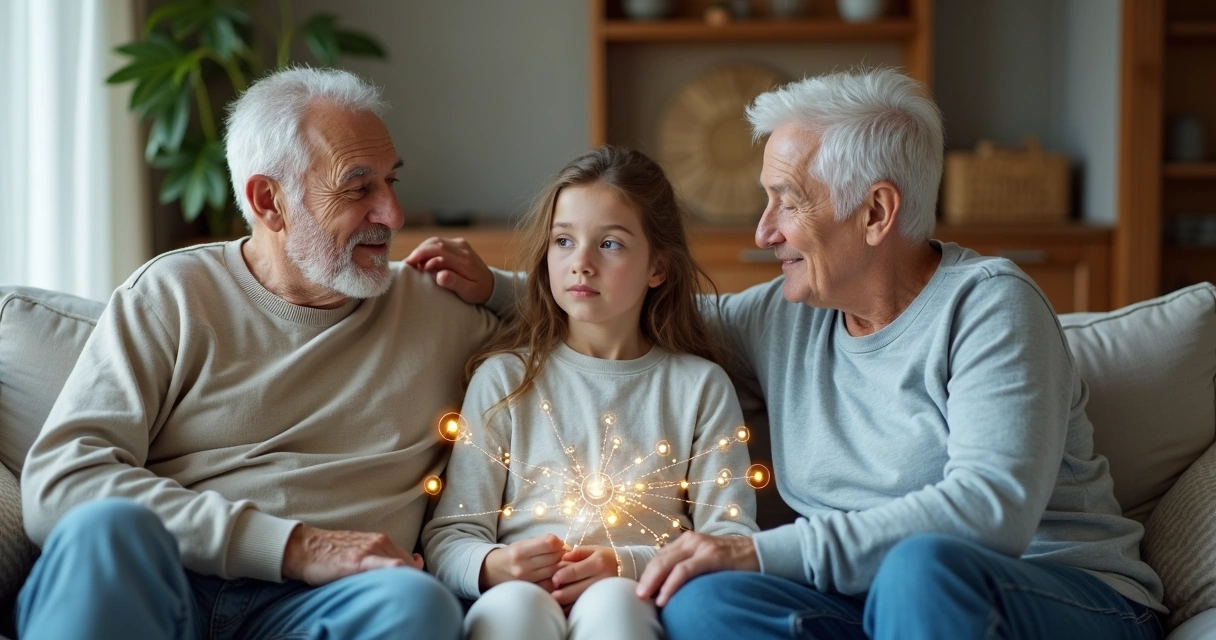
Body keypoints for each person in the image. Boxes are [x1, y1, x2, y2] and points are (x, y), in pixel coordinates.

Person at [407, 69, 1167, 640]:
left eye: (788, 200)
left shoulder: (990, 306)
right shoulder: (788, 315)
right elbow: (632, 302)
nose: (764, 231)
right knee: (701, 598)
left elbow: (988, 511)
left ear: (876, 212)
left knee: (920, 567)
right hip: (866, 595)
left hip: (1052, 591)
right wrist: (501, 286)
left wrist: (762, 552)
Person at [18, 67, 497, 640]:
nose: (392, 215)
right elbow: (61, 480)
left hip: (325, 608)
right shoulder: (174, 293)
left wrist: (498, 288)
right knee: (105, 529)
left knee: (415, 604)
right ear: (269, 201)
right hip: (170, 583)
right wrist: (294, 546)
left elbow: (595, 309)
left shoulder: (439, 308)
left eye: (391, 181)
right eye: (358, 186)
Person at [418, 146, 758, 640]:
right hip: (518, 594)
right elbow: (450, 536)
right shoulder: (504, 379)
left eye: (611, 244)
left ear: (658, 266)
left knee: (614, 609)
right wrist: (496, 565)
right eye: (563, 241)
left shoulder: (699, 387)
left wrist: (624, 564)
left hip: (637, 593)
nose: (581, 263)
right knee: (513, 612)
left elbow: (731, 538)